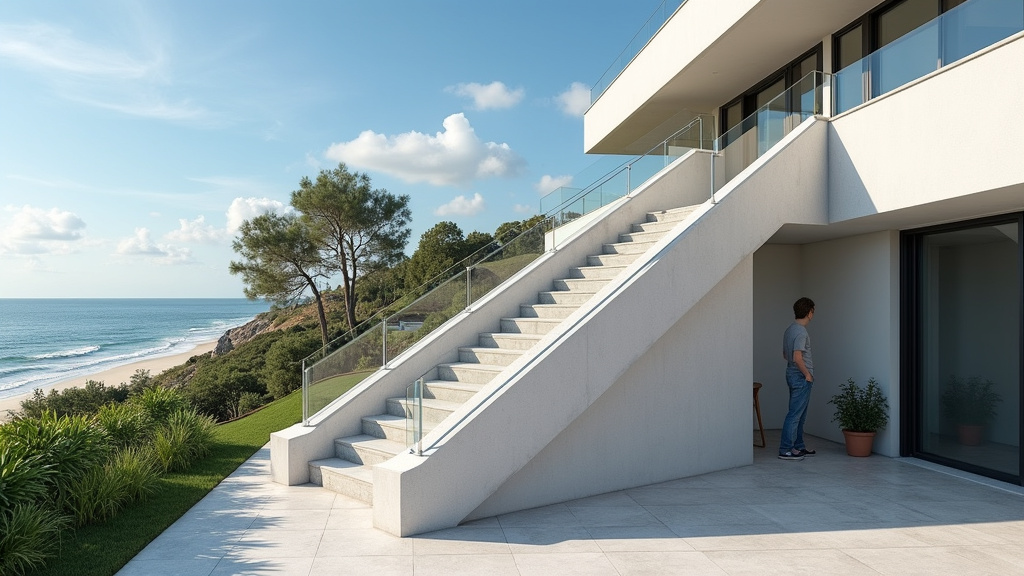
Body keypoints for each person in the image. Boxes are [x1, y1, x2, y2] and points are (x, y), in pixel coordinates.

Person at [779, 297, 816, 461]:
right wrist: (807, 374)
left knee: (800, 414)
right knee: (795, 415)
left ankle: (798, 446)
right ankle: (785, 449)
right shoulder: (801, 332)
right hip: (801, 377)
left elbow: (785, 355)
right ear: (810, 312)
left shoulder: (790, 329)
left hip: (791, 374)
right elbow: (796, 357)